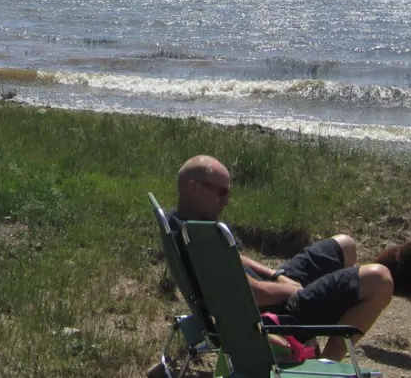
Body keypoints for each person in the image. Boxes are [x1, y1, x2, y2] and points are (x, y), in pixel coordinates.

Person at [167, 155, 393, 361]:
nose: (225, 201)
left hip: (267, 295)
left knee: (346, 245)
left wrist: (276, 275)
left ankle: (315, 336)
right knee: (380, 279)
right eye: (221, 192)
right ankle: (328, 363)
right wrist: (295, 291)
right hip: (273, 314)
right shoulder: (201, 241)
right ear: (194, 188)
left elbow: (236, 258)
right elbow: (252, 294)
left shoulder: (184, 226)